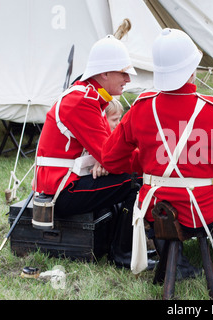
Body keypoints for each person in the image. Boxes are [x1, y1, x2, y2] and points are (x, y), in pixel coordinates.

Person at [102, 28, 213, 285]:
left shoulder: (141, 106)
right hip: (202, 212)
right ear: (191, 69)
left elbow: (111, 159)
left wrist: (148, 162)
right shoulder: (212, 110)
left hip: (156, 210)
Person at [33, 35, 140, 267]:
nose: (128, 79)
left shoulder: (90, 98)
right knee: (137, 179)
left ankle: (126, 246)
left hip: (68, 182)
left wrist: (106, 159)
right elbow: (112, 156)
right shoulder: (82, 100)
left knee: (133, 175)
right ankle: (123, 254)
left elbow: (108, 151)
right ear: (104, 73)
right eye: (123, 73)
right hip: (60, 190)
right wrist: (151, 160)